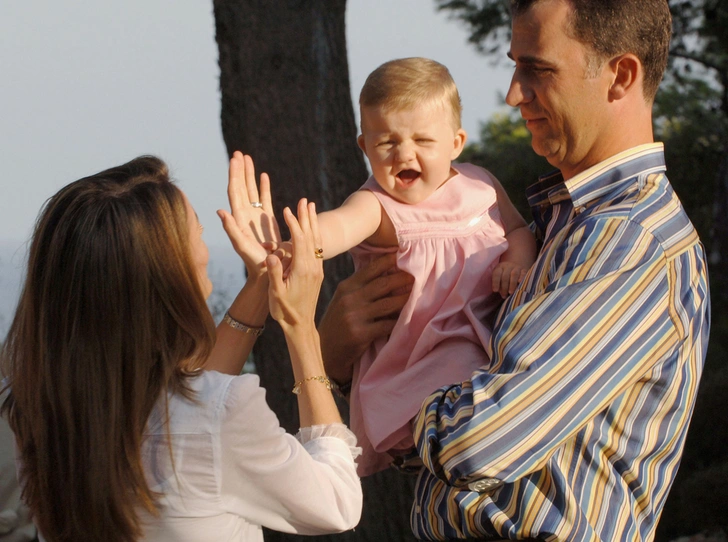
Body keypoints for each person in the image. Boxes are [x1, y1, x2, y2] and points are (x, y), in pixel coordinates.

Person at [321, 0, 711, 540]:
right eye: (515, 65)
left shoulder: (628, 240)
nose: (512, 94)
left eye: (538, 70)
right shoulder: (560, 227)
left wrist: (381, 389)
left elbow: (479, 442)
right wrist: (345, 360)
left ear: (620, 76)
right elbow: (443, 461)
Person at [0, 152, 362, 542]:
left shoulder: (38, 407)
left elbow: (186, 408)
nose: (207, 247)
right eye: (199, 234)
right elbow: (336, 504)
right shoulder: (223, 413)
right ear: (167, 274)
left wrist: (262, 281)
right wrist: (300, 327)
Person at [309, 57, 536, 476]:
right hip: (422, 354)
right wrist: (294, 239)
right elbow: (337, 227)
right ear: (364, 147)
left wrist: (516, 262)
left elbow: (520, 230)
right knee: (460, 373)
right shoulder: (376, 205)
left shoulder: (480, 185)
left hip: (485, 337)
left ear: (455, 142)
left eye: (422, 141)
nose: (404, 154)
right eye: (387, 143)